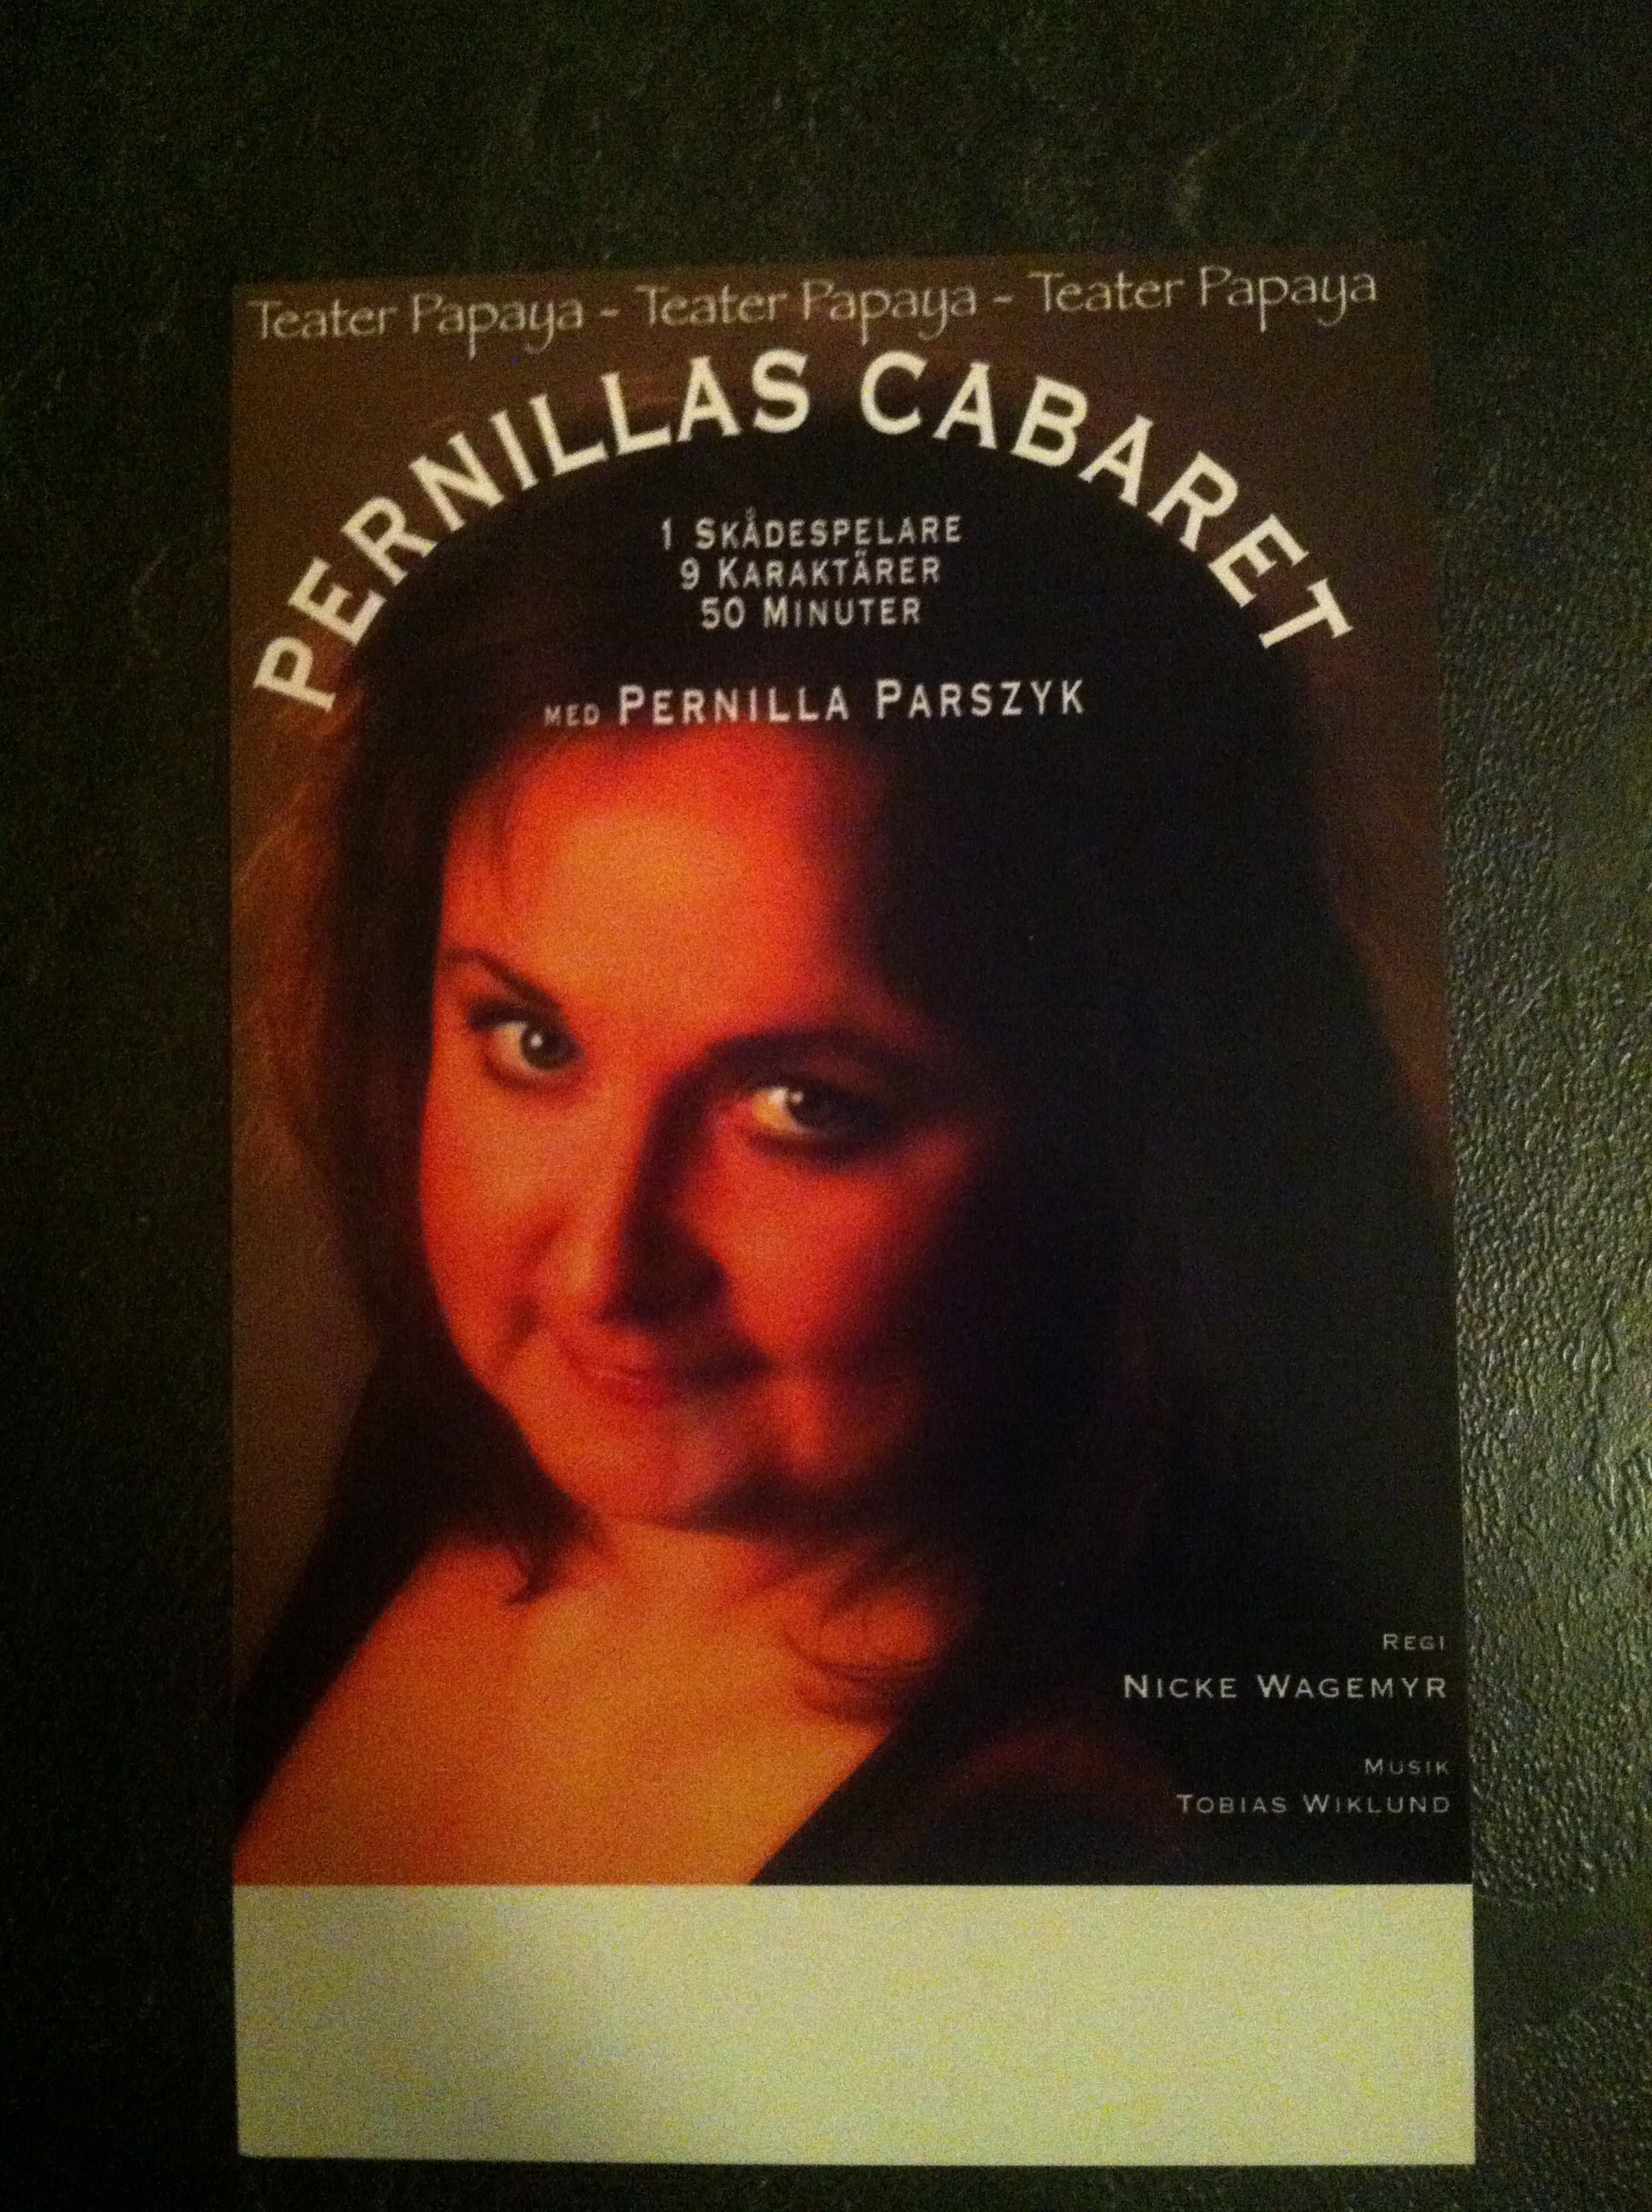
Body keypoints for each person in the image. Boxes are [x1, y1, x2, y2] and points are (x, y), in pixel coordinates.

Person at [234, 420, 1459, 1883]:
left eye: (805, 1106)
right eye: (534, 1042)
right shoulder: (457, 1459)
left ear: (1130, 1141)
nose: (605, 1265)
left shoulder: (1100, 1854)